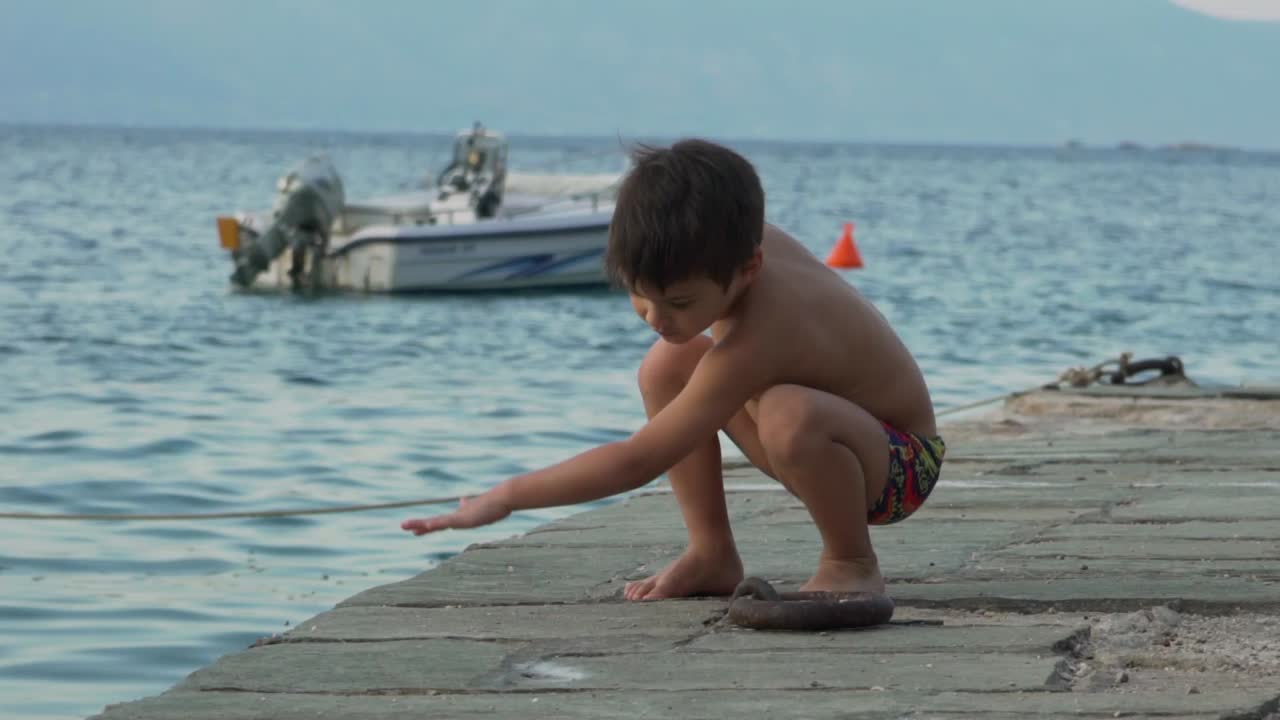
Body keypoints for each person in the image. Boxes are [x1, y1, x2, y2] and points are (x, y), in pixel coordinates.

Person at [401, 139, 944, 601]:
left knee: (788, 412)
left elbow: (636, 460)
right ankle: (711, 553)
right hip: (839, 442)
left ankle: (851, 562)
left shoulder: (766, 330)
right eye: (640, 295)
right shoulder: (728, 238)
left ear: (748, 269)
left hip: (899, 468)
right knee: (668, 365)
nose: (656, 318)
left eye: (681, 302)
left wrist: (507, 496)